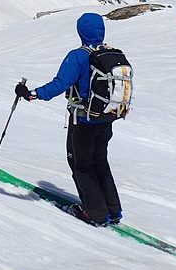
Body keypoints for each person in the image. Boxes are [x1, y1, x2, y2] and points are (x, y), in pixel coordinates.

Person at [14, 12, 122, 227]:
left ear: (81, 31)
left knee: (81, 164)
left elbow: (60, 84)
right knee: (100, 161)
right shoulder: (111, 54)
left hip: (83, 120)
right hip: (106, 118)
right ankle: (113, 209)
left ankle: (95, 213)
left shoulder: (78, 56)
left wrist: (31, 94)